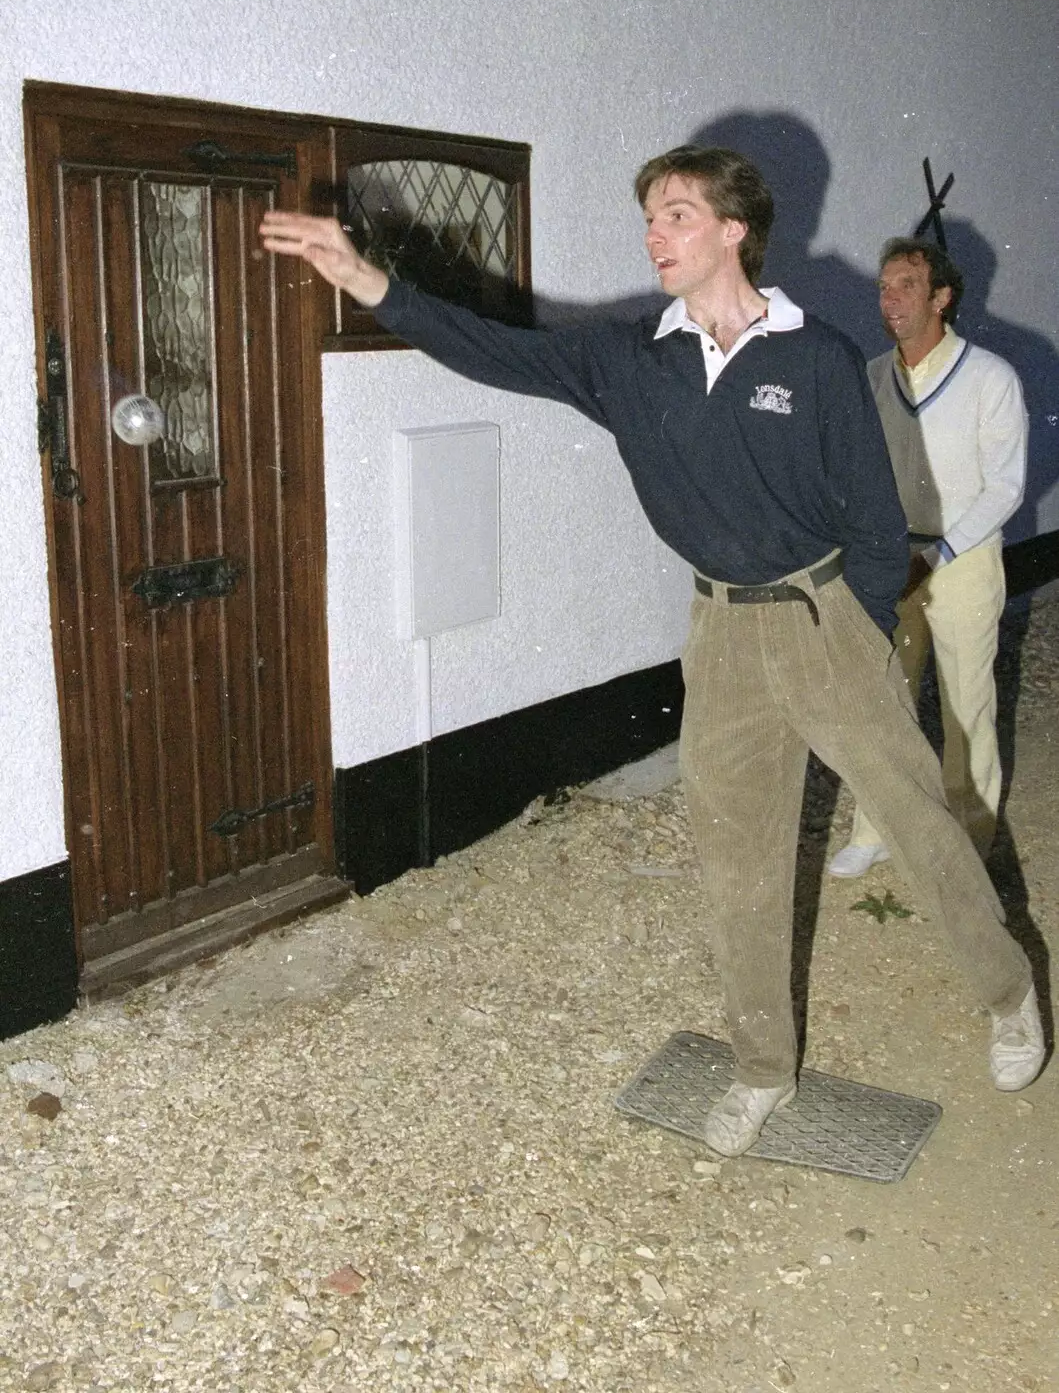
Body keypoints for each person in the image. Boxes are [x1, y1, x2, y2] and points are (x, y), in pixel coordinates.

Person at [259, 147, 1045, 1156]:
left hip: (823, 618)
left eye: (674, 214)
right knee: (737, 860)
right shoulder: (633, 358)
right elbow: (497, 348)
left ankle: (1008, 989)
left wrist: (852, 621)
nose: (653, 235)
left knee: (918, 819)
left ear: (731, 230)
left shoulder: (816, 358)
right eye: (648, 217)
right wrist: (369, 280)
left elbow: (878, 517)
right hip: (720, 633)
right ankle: (763, 1067)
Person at [828, 240, 1028, 878]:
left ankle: (973, 839)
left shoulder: (990, 377)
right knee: (884, 698)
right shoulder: (871, 375)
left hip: (962, 559)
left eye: (907, 286)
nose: (890, 300)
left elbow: (1005, 486)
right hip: (892, 557)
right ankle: (876, 828)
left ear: (942, 296)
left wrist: (940, 553)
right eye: (884, 286)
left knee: (967, 704)